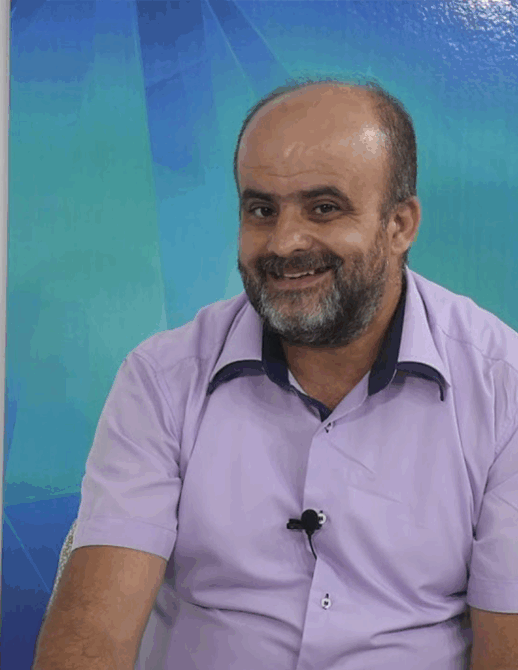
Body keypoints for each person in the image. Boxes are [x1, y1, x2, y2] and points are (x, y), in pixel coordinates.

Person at [33, 80, 518, 669]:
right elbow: (91, 638)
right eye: (261, 210)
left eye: (324, 208)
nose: (284, 242)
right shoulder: (162, 379)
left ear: (399, 225)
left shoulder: (503, 386)